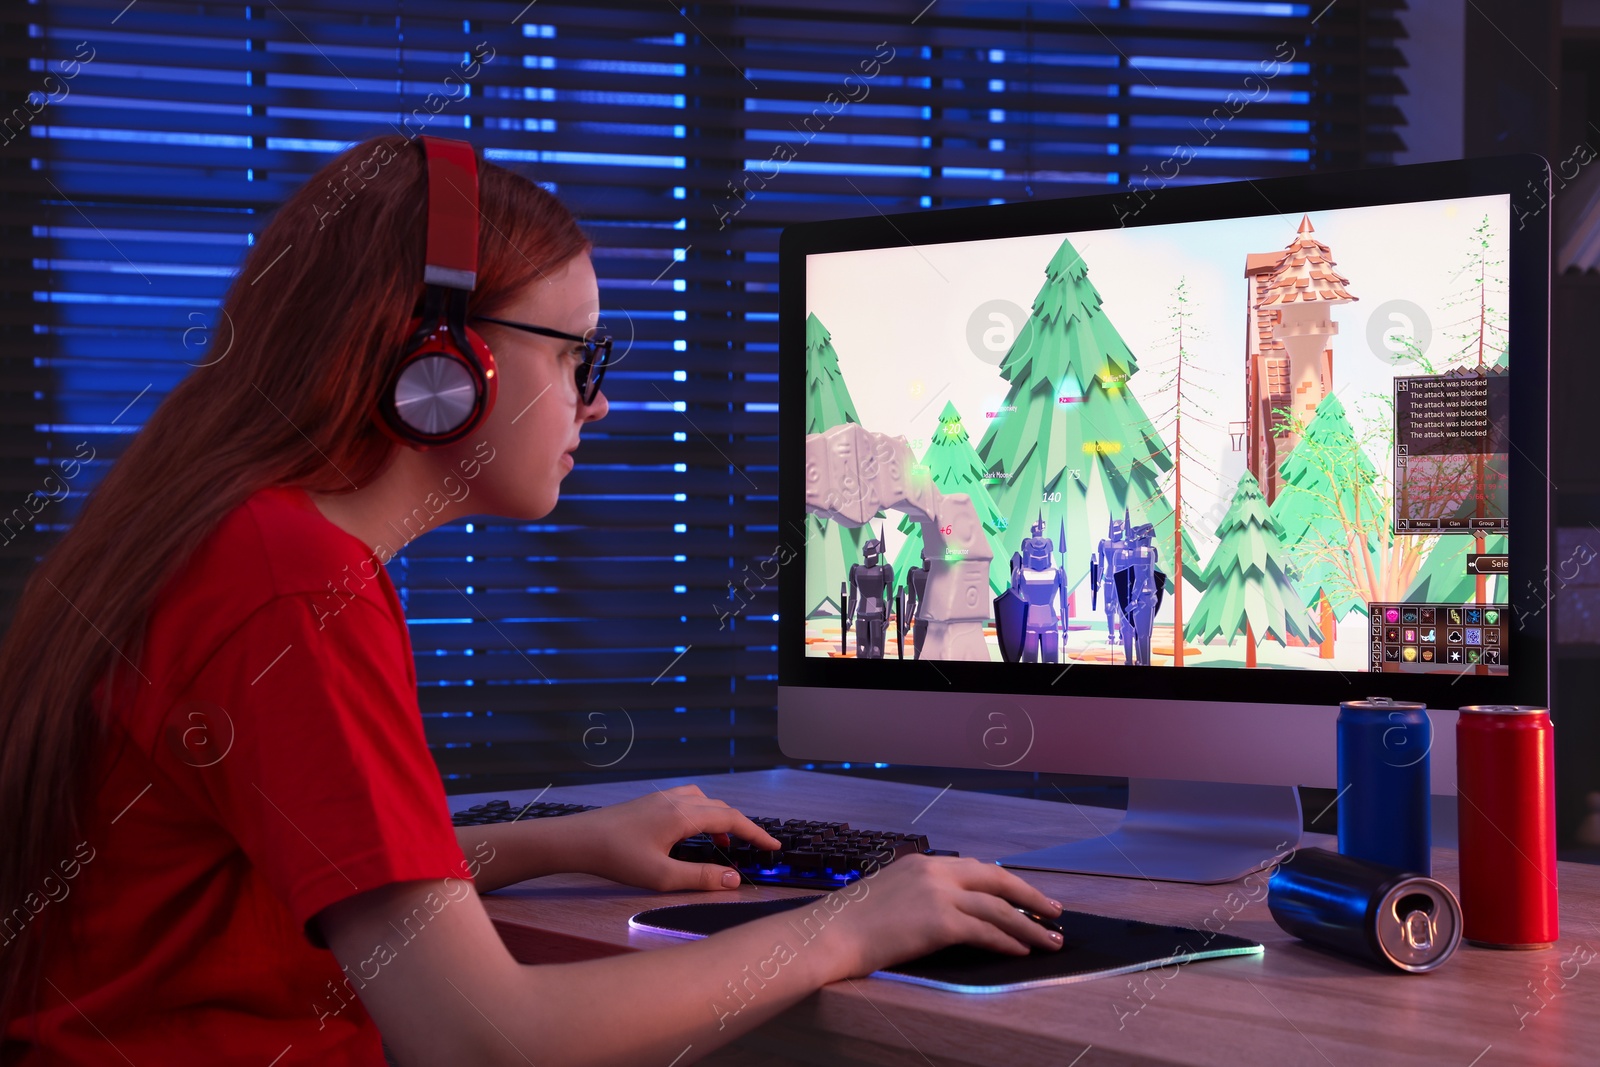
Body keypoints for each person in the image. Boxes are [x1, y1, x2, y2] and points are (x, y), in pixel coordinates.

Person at [0, 133, 1063, 1066]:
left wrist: (559, 841)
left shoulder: (230, 535)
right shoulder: (293, 588)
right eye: (578, 356)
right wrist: (848, 925)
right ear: (442, 362)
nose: (598, 405)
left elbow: (287, 866)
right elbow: (482, 1036)